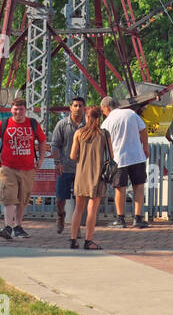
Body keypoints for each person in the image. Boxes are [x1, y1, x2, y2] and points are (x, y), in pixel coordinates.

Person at [0, 97, 47, 240]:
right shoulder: (5, 123)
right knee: (9, 197)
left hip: (27, 168)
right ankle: (8, 226)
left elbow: (43, 140)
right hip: (8, 167)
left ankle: (18, 226)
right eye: (15, 109)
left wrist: (41, 158)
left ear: (25, 110)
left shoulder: (32, 124)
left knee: (23, 198)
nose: (18, 112)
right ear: (11, 110)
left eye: (21, 109)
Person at [101, 95, 149, 228]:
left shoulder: (106, 122)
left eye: (103, 110)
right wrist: (145, 146)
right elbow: (143, 129)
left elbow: (103, 142)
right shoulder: (131, 113)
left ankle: (120, 219)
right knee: (138, 186)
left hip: (118, 159)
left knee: (119, 188)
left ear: (107, 107)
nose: (103, 113)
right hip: (137, 156)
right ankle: (138, 218)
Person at [69, 105, 114, 250]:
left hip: (81, 174)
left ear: (86, 117)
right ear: (99, 117)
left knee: (78, 209)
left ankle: (73, 239)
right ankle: (88, 241)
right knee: (92, 209)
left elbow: (72, 156)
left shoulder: (79, 133)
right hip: (97, 175)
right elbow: (112, 156)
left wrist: (82, 159)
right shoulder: (104, 134)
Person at [51, 96, 85, 233]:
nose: (77, 108)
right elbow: (55, 145)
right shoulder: (62, 124)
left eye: (80, 106)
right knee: (60, 198)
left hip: (82, 169)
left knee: (80, 199)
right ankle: (60, 216)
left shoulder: (88, 125)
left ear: (84, 108)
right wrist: (57, 163)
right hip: (65, 167)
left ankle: (76, 228)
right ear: (70, 107)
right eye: (75, 105)